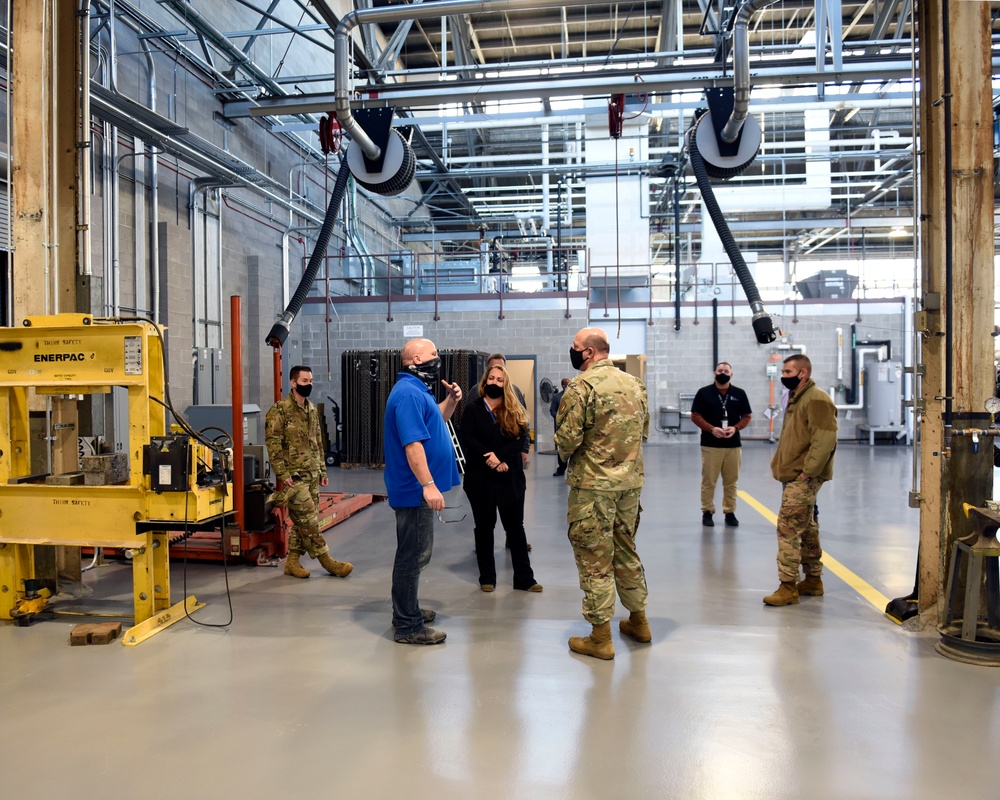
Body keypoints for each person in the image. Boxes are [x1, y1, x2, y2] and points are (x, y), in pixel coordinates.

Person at [555, 327, 650, 660]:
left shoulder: (581, 387)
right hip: (629, 485)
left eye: (576, 347)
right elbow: (643, 432)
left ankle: (600, 637)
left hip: (593, 487)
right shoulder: (635, 385)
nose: (573, 351)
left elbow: (567, 441)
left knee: (594, 558)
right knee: (625, 549)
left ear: (590, 352)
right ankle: (639, 620)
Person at [383, 338, 463, 644]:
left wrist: (452, 401)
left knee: (415, 554)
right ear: (416, 358)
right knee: (412, 555)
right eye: (434, 354)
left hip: (418, 489)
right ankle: (407, 626)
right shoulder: (407, 395)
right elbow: (412, 444)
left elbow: (435, 422)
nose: (438, 358)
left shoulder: (418, 391)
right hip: (414, 489)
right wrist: (428, 485)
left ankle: (408, 608)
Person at [460, 364, 542, 594]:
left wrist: (501, 457)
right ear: (485, 381)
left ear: (505, 385)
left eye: (500, 380)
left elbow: (520, 438)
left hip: (510, 477)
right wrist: (491, 458)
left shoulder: (513, 408)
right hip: (481, 479)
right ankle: (487, 577)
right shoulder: (473, 409)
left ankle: (525, 579)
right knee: (484, 528)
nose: (495, 383)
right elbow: (467, 437)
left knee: (515, 528)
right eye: (492, 378)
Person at [265, 366, 353, 580]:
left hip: (312, 474)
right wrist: (282, 473)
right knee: (309, 522)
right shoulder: (280, 410)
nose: (309, 384)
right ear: (294, 383)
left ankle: (292, 562)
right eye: (305, 381)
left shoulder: (312, 410)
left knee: (305, 520)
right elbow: (273, 443)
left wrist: (322, 469)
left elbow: (317, 443)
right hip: (293, 477)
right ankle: (327, 561)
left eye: (311, 380)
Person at [764, 354, 838, 606]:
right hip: (794, 473)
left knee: (787, 527)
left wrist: (808, 471)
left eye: (787, 372)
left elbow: (825, 439)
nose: (783, 376)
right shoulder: (799, 397)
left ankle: (787, 586)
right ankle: (813, 580)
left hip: (803, 477)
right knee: (806, 526)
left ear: (803, 373)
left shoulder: (817, 399)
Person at [690, 362, 753, 527]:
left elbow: (747, 415)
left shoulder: (739, 393)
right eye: (720, 370)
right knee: (709, 481)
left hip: (733, 445)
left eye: (726, 371)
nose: (722, 373)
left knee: (731, 482)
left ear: (731, 375)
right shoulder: (704, 393)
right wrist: (711, 429)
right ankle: (707, 511)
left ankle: (730, 512)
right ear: (715, 373)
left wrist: (736, 427)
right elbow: (695, 415)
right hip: (711, 445)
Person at [550, 377, 570, 477]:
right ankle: (561, 470)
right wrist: (559, 417)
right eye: (566, 385)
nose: (568, 387)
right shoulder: (557, 398)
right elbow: (552, 410)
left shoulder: (574, 396)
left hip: (573, 429)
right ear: (563, 386)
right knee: (561, 450)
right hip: (561, 428)